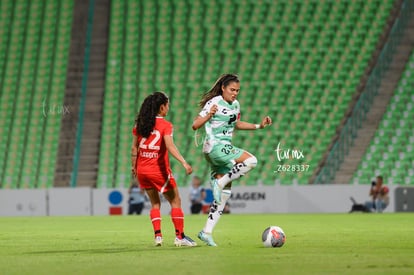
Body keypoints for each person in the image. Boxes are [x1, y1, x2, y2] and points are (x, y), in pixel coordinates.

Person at [192, 73, 272, 246]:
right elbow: (195, 124)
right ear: (223, 88)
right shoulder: (214, 103)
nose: (235, 93)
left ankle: (206, 232)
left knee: (224, 196)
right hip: (215, 147)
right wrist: (209, 115)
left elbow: (237, 124)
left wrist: (259, 125)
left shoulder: (235, 105)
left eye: (237, 90)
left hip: (222, 150)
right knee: (251, 161)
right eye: (232, 90)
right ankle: (219, 183)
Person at [131, 91, 197, 247]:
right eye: (167, 105)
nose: (168, 108)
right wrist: (184, 162)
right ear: (162, 107)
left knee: (155, 203)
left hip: (142, 170)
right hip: (158, 171)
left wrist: (133, 167)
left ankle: (158, 236)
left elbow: (134, 149)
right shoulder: (165, 125)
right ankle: (180, 237)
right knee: (176, 201)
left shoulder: (140, 125)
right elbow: (170, 146)